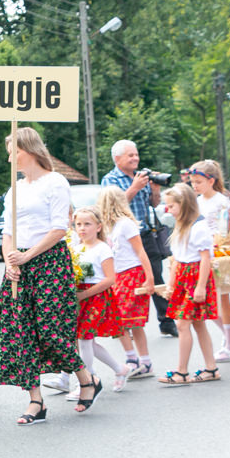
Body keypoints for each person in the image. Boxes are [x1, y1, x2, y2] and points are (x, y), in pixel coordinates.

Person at [0, 127, 102, 425]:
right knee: (20, 330)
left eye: (14, 150)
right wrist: (11, 259)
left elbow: (59, 229)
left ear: (30, 150)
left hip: (49, 261)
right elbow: (8, 232)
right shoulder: (15, 189)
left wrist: (27, 255)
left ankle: (86, 379)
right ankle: (35, 401)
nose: (10, 156)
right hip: (19, 265)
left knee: (52, 328)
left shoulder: (55, 182)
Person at [101, 139, 178, 337]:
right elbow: (114, 207)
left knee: (156, 276)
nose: (135, 158)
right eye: (130, 155)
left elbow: (153, 203)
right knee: (125, 280)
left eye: (136, 154)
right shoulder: (111, 180)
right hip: (123, 237)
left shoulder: (142, 176)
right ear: (117, 158)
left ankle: (167, 321)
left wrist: (154, 190)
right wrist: (134, 187)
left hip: (145, 233)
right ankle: (125, 323)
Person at [157, 183, 221, 385]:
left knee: (182, 324)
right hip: (184, 275)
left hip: (195, 278)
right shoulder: (179, 225)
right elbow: (176, 259)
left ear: (184, 205)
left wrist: (201, 287)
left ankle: (182, 372)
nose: (168, 210)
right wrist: (171, 285)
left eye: (171, 206)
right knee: (198, 324)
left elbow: (205, 259)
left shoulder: (199, 227)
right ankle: (211, 368)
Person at [67, 206, 128, 398]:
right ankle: (119, 368)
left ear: (99, 227)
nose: (82, 228)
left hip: (97, 297)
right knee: (86, 341)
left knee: (84, 338)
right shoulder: (76, 249)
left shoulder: (103, 249)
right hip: (80, 296)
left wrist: (84, 295)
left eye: (87, 224)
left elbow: (110, 279)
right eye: (78, 224)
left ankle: (88, 380)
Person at [97, 186, 157, 383]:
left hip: (132, 273)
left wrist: (149, 278)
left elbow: (140, 251)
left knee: (131, 320)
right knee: (118, 320)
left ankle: (144, 361)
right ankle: (132, 357)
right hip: (117, 275)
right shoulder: (108, 227)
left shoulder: (126, 224)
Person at [188, 160, 230, 362]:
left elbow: (226, 228)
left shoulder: (221, 201)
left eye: (198, 182)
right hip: (201, 253)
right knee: (210, 300)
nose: (195, 186)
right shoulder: (197, 202)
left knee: (221, 299)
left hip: (218, 252)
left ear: (211, 181)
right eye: (192, 182)